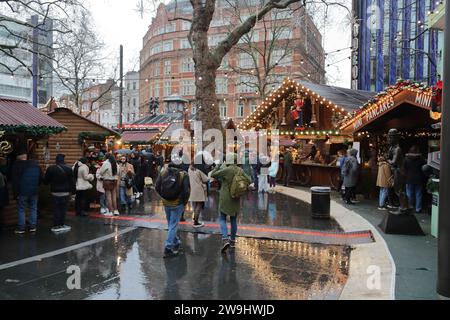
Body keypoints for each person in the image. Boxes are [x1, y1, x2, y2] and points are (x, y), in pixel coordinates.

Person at [211, 153, 251, 253]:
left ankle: (225, 239)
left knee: (222, 218)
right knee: (233, 219)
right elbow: (249, 180)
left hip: (225, 197)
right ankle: (232, 241)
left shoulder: (227, 170)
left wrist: (219, 164)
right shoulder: (240, 170)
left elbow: (213, 174)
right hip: (235, 197)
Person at [155, 156, 190, 258]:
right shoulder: (183, 174)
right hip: (177, 203)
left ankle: (176, 242)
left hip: (166, 202)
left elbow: (157, 186)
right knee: (173, 225)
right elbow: (186, 191)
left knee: (171, 224)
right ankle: (168, 247)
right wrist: (184, 202)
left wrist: (163, 196)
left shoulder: (163, 172)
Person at [12, 152, 42, 234]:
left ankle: (21, 228)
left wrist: (16, 194)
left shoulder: (17, 166)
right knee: (33, 208)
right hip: (34, 191)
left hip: (22, 192)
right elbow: (40, 179)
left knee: (21, 209)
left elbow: (15, 181)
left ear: (18, 157)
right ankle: (32, 227)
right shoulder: (36, 165)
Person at [44, 154, 73, 233]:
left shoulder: (51, 169)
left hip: (55, 192)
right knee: (63, 209)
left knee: (56, 209)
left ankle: (56, 225)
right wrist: (73, 191)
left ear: (56, 160)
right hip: (65, 192)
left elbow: (46, 181)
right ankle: (62, 224)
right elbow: (72, 182)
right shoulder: (69, 169)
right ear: (64, 160)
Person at [404, 145, 426, 213]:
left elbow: (404, 169)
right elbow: (424, 168)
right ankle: (418, 209)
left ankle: (410, 207)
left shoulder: (406, 159)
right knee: (418, 194)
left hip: (409, 178)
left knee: (409, 194)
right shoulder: (421, 159)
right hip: (419, 178)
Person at [188, 164, 210, 228]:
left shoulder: (189, 170)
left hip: (192, 189)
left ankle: (195, 219)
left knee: (195, 206)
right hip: (199, 190)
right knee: (199, 205)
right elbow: (206, 179)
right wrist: (209, 174)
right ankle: (196, 222)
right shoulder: (198, 171)